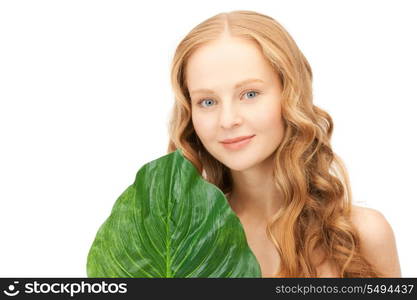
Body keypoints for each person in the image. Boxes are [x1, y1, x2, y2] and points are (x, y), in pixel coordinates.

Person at [166, 10, 401, 278]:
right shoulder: (178, 240)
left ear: (291, 95)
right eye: (207, 101)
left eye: (250, 94)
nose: (228, 120)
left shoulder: (363, 235)